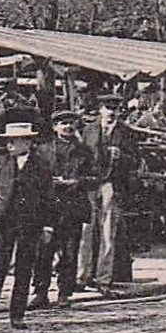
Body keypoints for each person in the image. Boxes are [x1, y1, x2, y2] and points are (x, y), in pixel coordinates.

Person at [0, 121, 55, 331]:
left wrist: (47, 225)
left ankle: (17, 315)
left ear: (27, 142)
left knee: (24, 269)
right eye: (8, 142)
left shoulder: (41, 164)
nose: (9, 146)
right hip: (5, 223)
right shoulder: (2, 162)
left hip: (30, 223)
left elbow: (48, 197)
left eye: (14, 141)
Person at [30, 110, 93, 309]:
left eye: (70, 123)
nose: (67, 127)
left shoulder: (84, 151)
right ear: (55, 126)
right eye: (63, 123)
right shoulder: (42, 150)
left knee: (69, 251)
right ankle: (40, 292)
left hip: (72, 206)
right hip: (49, 206)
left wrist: (75, 181)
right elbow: (33, 176)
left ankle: (64, 292)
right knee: (44, 250)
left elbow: (95, 177)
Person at [78, 95, 140, 292]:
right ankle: (82, 276)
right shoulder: (88, 130)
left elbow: (136, 161)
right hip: (90, 184)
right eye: (108, 107)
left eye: (116, 108)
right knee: (85, 231)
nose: (112, 111)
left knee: (107, 232)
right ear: (100, 109)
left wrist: (122, 156)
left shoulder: (127, 133)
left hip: (111, 185)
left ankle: (103, 278)